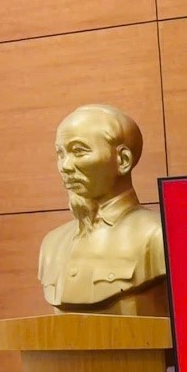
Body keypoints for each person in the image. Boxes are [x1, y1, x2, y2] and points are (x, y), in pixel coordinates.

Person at [38, 104, 166, 313]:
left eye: (78, 151)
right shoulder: (52, 244)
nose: (65, 166)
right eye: (60, 153)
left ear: (123, 160)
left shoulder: (159, 235)